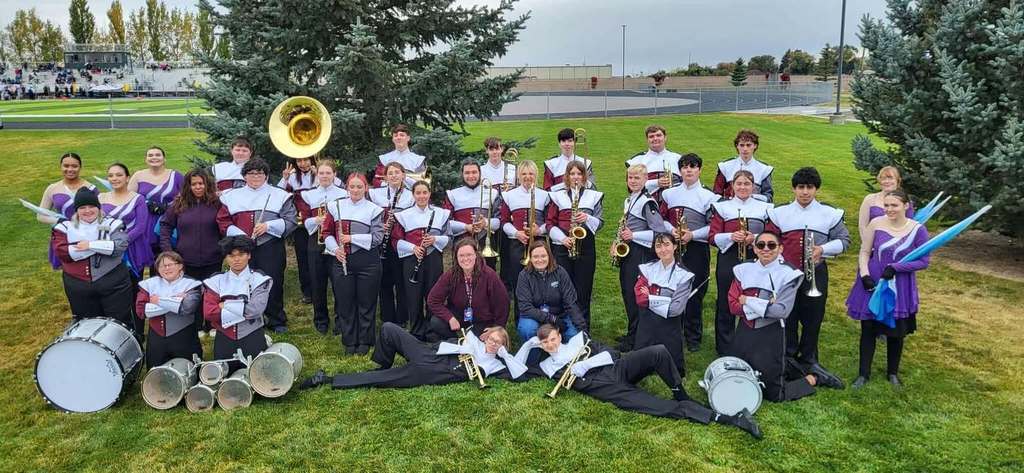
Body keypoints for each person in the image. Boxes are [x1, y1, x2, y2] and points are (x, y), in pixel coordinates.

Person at [515, 323, 761, 439]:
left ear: (560, 335)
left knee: (658, 351)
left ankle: (680, 392)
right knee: (659, 407)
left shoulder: (579, 342)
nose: (550, 345)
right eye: (545, 343)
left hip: (617, 368)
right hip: (609, 389)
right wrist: (527, 345)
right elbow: (518, 371)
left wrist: (586, 363)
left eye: (553, 339)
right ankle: (727, 419)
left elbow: (611, 354)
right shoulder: (547, 366)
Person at [767, 167, 850, 389]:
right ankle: (790, 357)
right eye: (801, 187)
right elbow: (769, 240)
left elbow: (844, 240)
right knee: (789, 316)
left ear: (816, 189)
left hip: (817, 273)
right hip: (787, 275)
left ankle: (810, 358)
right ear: (794, 188)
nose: (805, 192)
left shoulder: (829, 214)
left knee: (813, 317)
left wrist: (822, 249)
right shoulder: (779, 213)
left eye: (810, 188)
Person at [846, 190, 930, 388]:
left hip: (899, 285)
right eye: (887, 205)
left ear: (906, 206)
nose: (890, 209)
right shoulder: (876, 224)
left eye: (895, 205)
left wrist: (896, 268)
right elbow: (865, 252)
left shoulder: (918, 230)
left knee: (896, 331)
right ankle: (863, 374)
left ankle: (892, 373)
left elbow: (924, 261)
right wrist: (865, 275)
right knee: (868, 328)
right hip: (873, 281)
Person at [728, 231, 820, 402]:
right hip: (745, 330)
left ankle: (814, 378)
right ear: (754, 249)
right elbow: (733, 306)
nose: (766, 249)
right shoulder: (742, 269)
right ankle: (791, 368)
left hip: (771, 333)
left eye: (772, 245)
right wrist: (767, 304)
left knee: (774, 394)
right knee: (738, 381)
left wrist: (748, 300)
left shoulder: (789, 273)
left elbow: (781, 311)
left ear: (780, 248)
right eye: (760, 245)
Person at [299, 322, 525, 390]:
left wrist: (505, 353)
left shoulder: (496, 364)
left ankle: (327, 380)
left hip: (435, 372)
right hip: (428, 352)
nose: (495, 343)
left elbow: (519, 372)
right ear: (487, 336)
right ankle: (382, 365)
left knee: (383, 381)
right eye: (493, 339)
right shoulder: (472, 338)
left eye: (500, 342)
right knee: (388, 328)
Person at [216, 158, 297, 333]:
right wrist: (240, 235)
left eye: (260, 173)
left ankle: (276, 319)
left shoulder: (279, 194)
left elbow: (290, 220)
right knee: (244, 282)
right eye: (251, 173)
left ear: (266, 176)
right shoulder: (231, 196)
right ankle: (247, 317)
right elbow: (222, 221)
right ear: (244, 176)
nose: (255, 177)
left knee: (273, 281)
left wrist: (269, 226)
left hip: (270, 245)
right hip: (241, 247)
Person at [708, 170, 773, 356]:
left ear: (753, 187)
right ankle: (725, 346)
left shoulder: (765, 208)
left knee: (755, 299)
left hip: (756, 258)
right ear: (732, 186)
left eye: (747, 184)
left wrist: (755, 239)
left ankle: (752, 340)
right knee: (726, 301)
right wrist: (731, 236)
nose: (743, 187)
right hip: (730, 257)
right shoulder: (723, 207)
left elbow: (772, 236)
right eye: (739, 184)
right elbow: (712, 237)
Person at [658, 153, 719, 352]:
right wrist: (671, 230)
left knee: (694, 292)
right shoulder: (669, 193)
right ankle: (672, 331)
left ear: (699, 170)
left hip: (696, 248)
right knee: (671, 289)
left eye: (693, 167)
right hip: (673, 247)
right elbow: (661, 219)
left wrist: (693, 235)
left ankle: (693, 336)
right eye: (684, 167)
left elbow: (715, 226)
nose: (688, 170)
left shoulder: (710, 196)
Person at [51, 188, 133, 327]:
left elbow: (120, 246)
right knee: (87, 324)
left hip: (113, 282)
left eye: (91, 206)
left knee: (120, 322)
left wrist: (89, 245)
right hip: (78, 285)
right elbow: (62, 253)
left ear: (98, 208)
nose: (87, 211)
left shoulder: (113, 223)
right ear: (76, 210)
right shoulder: (64, 227)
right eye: (82, 207)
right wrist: (104, 246)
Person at [322, 173, 384, 355]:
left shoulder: (374, 209)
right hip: (341, 259)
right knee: (345, 301)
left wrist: (351, 238)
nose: (355, 190)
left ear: (366, 188)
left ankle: (365, 340)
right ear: (347, 188)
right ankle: (349, 340)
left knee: (366, 301)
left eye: (359, 187)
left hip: (367, 261)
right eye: (352, 187)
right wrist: (335, 249)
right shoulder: (335, 207)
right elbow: (326, 233)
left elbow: (378, 238)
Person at [160, 169, 223, 338]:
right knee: (192, 292)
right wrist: (168, 251)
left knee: (212, 291)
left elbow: (224, 226)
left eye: (201, 183)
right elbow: (165, 226)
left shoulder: (216, 203)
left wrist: (223, 248)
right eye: (193, 184)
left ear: (207, 184)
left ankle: (212, 323)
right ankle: (195, 325)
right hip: (186, 258)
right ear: (188, 186)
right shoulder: (178, 205)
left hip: (213, 257)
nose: (198, 187)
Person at [615, 164, 667, 351]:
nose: (633, 181)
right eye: (630, 177)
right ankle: (633, 333)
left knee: (636, 295)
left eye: (637, 178)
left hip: (641, 253)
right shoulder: (630, 200)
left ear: (645, 180)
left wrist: (633, 236)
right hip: (629, 251)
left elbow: (660, 232)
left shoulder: (647, 202)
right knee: (628, 294)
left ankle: (639, 340)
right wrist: (617, 241)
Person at [546, 160, 604, 325]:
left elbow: (600, 223)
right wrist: (563, 239)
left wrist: (587, 217)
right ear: (567, 176)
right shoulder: (557, 196)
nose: (576, 177)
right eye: (572, 174)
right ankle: (563, 327)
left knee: (583, 289)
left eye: (579, 174)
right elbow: (550, 223)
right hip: (563, 246)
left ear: (584, 176)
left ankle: (583, 329)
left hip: (586, 247)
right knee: (562, 289)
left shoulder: (594, 195)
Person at [393, 181, 451, 340]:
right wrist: (413, 248)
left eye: (424, 192)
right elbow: (395, 240)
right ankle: (417, 330)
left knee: (433, 293)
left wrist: (434, 239)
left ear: (429, 193)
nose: (421, 196)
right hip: (413, 259)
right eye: (418, 193)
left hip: (433, 258)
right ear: (413, 195)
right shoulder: (403, 215)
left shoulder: (441, 213)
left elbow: (449, 238)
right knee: (413, 295)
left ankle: (433, 330)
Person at [202, 236, 271, 370]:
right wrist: (242, 307)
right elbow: (209, 313)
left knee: (258, 379)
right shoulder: (216, 280)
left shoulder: (259, 279)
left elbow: (256, 310)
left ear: (249, 255)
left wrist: (225, 305)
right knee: (225, 380)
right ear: (226, 258)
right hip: (224, 337)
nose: (236, 259)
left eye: (241, 254)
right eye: (231, 255)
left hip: (252, 335)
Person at [299, 160, 349, 335]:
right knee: (317, 282)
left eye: (328, 173)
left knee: (339, 283)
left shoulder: (344, 194)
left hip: (337, 241)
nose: (325, 176)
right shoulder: (308, 195)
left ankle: (340, 320)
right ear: (317, 175)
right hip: (316, 242)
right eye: (321, 173)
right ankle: (320, 319)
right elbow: (304, 220)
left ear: (334, 175)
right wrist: (316, 220)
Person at [427, 238, 509, 341]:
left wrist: (497, 328)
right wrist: (450, 318)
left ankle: (465, 342)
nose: (465, 259)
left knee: (473, 340)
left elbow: (503, 303)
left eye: (469, 255)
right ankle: (456, 341)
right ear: (456, 258)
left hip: (483, 320)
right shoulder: (451, 275)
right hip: (460, 315)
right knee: (436, 322)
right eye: (461, 255)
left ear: (476, 255)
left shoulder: (489, 275)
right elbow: (432, 300)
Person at [634, 233, 694, 374]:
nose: (663, 249)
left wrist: (650, 296)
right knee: (639, 364)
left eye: (667, 244)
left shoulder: (684, 275)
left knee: (670, 367)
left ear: (674, 246)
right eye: (658, 246)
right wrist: (666, 299)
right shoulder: (647, 268)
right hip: (647, 325)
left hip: (669, 328)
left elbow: (676, 309)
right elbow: (640, 299)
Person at [135, 251, 203, 368]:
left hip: (184, 336)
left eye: (170, 265)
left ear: (180, 265)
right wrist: (175, 300)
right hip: (156, 338)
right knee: (155, 374)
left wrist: (158, 301)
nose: (166, 268)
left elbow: (187, 308)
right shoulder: (149, 284)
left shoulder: (191, 284)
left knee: (189, 371)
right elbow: (141, 310)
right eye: (162, 266)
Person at [499, 160, 551, 308]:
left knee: (540, 280)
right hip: (517, 243)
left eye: (531, 173)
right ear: (518, 176)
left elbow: (550, 222)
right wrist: (517, 233)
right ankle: (520, 315)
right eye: (524, 174)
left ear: (536, 175)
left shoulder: (545, 195)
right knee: (518, 280)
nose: (527, 177)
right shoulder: (509, 195)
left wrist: (539, 230)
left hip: (539, 243)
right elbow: (503, 221)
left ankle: (541, 313)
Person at [368, 162, 414, 327]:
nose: (394, 176)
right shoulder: (376, 194)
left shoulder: (411, 195)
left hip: (401, 242)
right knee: (384, 282)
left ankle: (402, 318)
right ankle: (387, 317)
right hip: (383, 243)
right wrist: (383, 225)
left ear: (403, 175)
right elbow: (370, 215)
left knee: (401, 281)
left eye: (397, 172)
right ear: (385, 177)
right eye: (390, 173)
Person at [516, 240, 588, 341]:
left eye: (543, 256)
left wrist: (582, 327)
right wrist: (551, 319)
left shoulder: (560, 272)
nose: (540, 260)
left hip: (560, 315)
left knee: (574, 335)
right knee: (528, 329)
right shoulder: (524, 276)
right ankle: (533, 355)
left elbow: (570, 302)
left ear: (549, 256)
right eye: (535, 257)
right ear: (530, 258)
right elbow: (525, 308)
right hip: (534, 316)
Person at [128, 145, 183, 273]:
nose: (154, 157)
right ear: (146, 159)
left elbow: (185, 197)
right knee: (143, 260)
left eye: (158, 155)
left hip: (168, 222)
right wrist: (145, 204)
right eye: (150, 155)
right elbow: (129, 198)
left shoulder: (176, 176)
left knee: (166, 258)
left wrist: (170, 207)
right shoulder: (138, 176)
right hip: (144, 223)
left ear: (164, 159)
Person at [99, 163, 155, 286]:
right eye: (111, 175)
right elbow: (98, 223)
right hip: (108, 247)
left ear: (127, 178)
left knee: (133, 284)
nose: (114, 178)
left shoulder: (138, 199)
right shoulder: (101, 198)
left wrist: (120, 243)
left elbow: (140, 227)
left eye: (119, 175)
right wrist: (108, 244)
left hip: (132, 248)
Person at [38, 152, 96, 268]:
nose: (70, 169)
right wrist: (58, 222)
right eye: (66, 166)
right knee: (67, 269)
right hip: (63, 235)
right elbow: (40, 216)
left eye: (74, 166)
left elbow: (99, 214)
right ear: (61, 167)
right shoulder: (52, 188)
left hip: (86, 235)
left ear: (80, 167)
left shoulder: (91, 188)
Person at [442, 160, 501, 270]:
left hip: (486, 243)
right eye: (467, 173)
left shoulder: (493, 193)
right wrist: (466, 227)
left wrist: (485, 223)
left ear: (480, 173)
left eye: (474, 172)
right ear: (462, 174)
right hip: (461, 243)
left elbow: (499, 221)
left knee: (487, 275)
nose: (471, 176)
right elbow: (446, 223)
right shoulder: (452, 194)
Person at [277, 156, 318, 304]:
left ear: (312, 161)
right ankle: (307, 292)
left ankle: (319, 289)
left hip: (318, 222)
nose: (303, 164)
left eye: (306, 160)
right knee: (302, 258)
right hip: (301, 224)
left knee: (318, 258)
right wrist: (285, 178)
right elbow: (279, 195)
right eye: (299, 161)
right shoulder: (293, 177)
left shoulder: (320, 173)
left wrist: (318, 175)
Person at [712, 129, 774, 202]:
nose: (745, 149)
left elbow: (768, 197)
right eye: (742, 145)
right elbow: (717, 194)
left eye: (748, 145)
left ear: (755, 146)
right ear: (737, 146)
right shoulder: (725, 166)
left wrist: (752, 197)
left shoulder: (764, 169)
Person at [857, 166, 914, 241]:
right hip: (872, 244)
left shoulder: (905, 201)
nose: (887, 181)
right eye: (883, 179)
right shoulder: (870, 199)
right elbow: (862, 226)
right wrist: (867, 244)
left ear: (897, 181)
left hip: (897, 244)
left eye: (890, 178)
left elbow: (908, 227)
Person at [624, 125, 681, 195]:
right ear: (647, 140)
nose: (655, 138)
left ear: (665, 137)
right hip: (646, 204)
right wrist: (656, 183)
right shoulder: (636, 160)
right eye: (651, 136)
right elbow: (631, 188)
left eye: (658, 135)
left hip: (673, 204)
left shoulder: (678, 159)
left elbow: (687, 185)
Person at [372, 124, 426, 188]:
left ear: (408, 138)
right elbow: (377, 181)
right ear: (393, 139)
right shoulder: (385, 158)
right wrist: (391, 185)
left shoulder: (418, 160)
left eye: (402, 135)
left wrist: (404, 178)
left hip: (411, 195)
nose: (398, 138)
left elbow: (424, 183)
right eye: (395, 136)